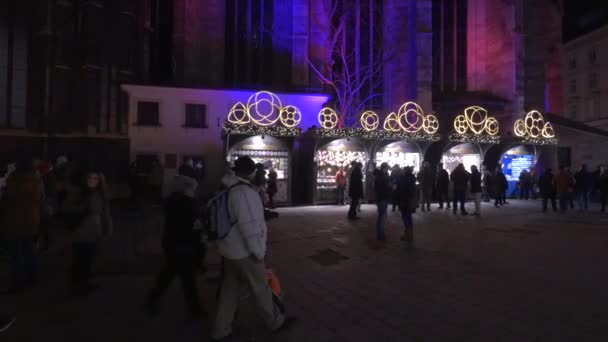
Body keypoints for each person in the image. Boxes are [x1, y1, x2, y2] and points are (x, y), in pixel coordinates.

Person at [211, 156, 293, 341]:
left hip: (229, 250)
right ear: (251, 172)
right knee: (261, 288)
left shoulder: (227, 186)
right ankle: (275, 322)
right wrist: (258, 252)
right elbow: (249, 226)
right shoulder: (243, 192)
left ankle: (221, 329)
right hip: (245, 252)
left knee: (229, 291)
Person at [145, 176, 203, 318]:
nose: (194, 191)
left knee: (170, 272)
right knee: (187, 279)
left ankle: (153, 298)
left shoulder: (173, 201)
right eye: (192, 188)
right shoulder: (185, 204)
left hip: (173, 243)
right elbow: (191, 224)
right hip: (183, 244)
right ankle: (194, 310)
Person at [0, 160, 44, 293]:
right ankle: (32, 277)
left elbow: (7, 200)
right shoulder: (37, 179)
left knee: (15, 253)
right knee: (28, 249)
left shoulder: (15, 180)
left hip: (14, 221)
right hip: (31, 219)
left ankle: (18, 283)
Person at [70, 171, 113, 296]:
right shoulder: (91, 194)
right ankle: (80, 285)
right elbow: (101, 211)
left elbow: (103, 212)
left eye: (95, 179)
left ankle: (80, 283)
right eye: (90, 178)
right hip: (86, 229)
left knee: (83, 258)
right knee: (84, 258)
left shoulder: (88, 193)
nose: (92, 180)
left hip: (87, 229)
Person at [397, 167, 417, 242]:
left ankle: (407, 235)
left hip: (404, 201)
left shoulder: (403, 179)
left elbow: (400, 189)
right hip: (410, 201)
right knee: (408, 217)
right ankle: (410, 234)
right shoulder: (412, 178)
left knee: (405, 217)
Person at [373, 163, 391, 241]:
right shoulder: (381, 176)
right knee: (382, 216)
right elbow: (383, 187)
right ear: (385, 168)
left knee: (382, 215)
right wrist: (390, 186)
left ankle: (381, 233)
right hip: (382, 198)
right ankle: (381, 234)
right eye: (387, 168)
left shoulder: (380, 175)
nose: (387, 170)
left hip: (381, 198)